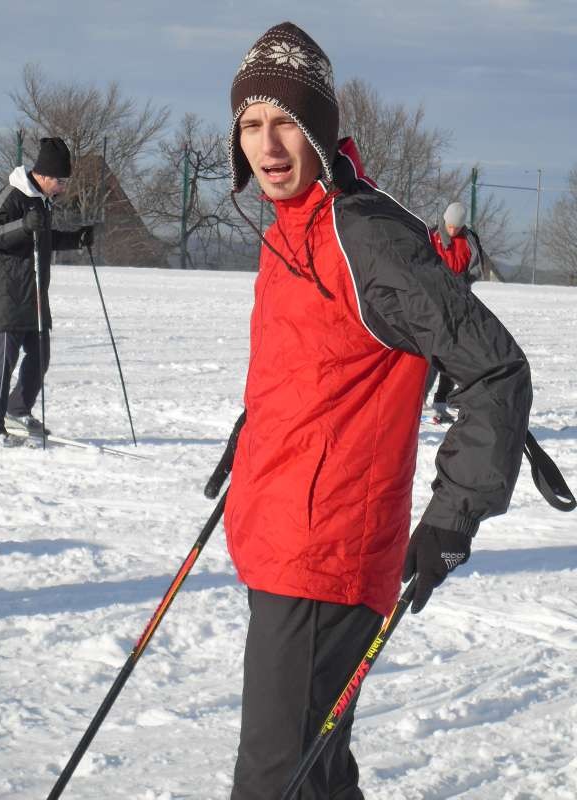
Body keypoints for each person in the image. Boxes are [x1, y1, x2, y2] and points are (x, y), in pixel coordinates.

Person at [223, 22, 531, 800]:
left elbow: (494, 368)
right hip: (279, 530)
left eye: (286, 121)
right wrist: (253, 436)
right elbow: (317, 363)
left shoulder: (364, 236)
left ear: (320, 130)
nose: (268, 144)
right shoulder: (290, 228)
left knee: (275, 781)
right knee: (315, 775)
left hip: (325, 554)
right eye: (251, 124)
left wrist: (454, 517)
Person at [0, 137, 94, 447]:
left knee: (40, 354)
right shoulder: (12, 195)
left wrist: (76, 239)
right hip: (7, 294)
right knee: (4, 360)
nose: (62, 188)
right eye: (59, 181)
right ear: (43, 174)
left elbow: (42, 237)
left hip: (34, 294)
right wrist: (23, 226)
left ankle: (17, 410)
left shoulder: (41, 200)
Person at [424, 201, 486, 422]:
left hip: (459, 305)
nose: (452, 230)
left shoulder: (469, 240)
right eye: (450, 226)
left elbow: (475, 269)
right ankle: (419, 398)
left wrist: (463, 282)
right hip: (433, 304)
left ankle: (441, 403)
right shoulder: (431, 236)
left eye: (456, 227)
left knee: (451, 356)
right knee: (431, 354)